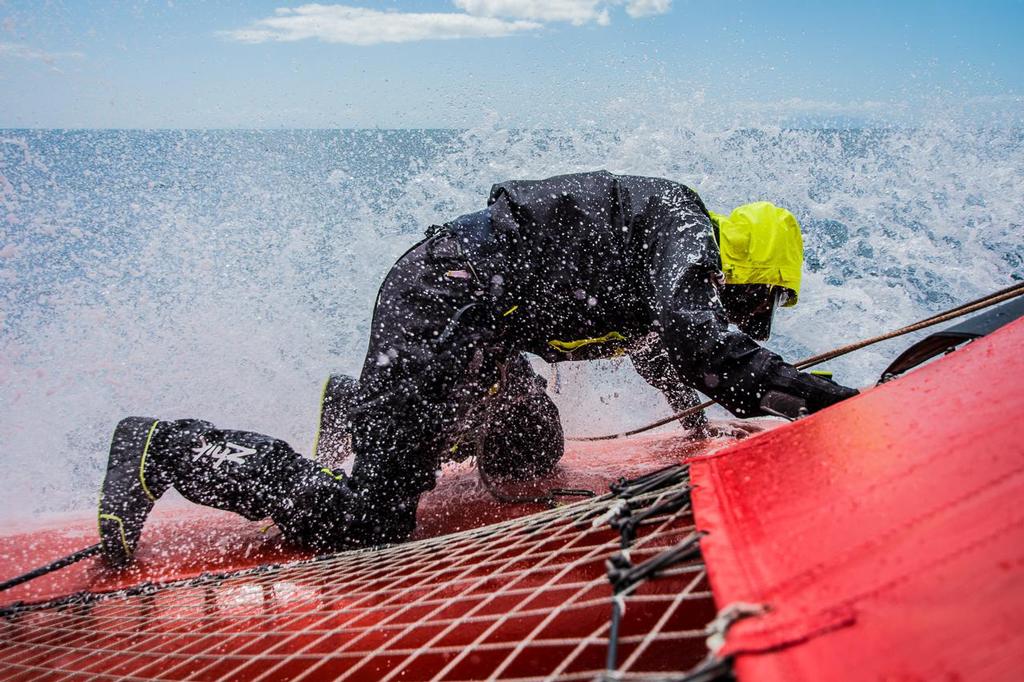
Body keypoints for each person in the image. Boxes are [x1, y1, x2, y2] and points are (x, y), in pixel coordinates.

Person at [97, 170, 858, 566]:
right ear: (746, 266)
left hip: (485, 338)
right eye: (755, 305)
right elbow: (699, 344)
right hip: (441, 302)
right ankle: (165, 445)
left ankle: (363, 403)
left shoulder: (662, 252)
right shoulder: (690, 230)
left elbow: (673, 357)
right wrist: (835, 407)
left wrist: (700, 427)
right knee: (373, 522)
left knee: (531, 454)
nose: (746, 321)